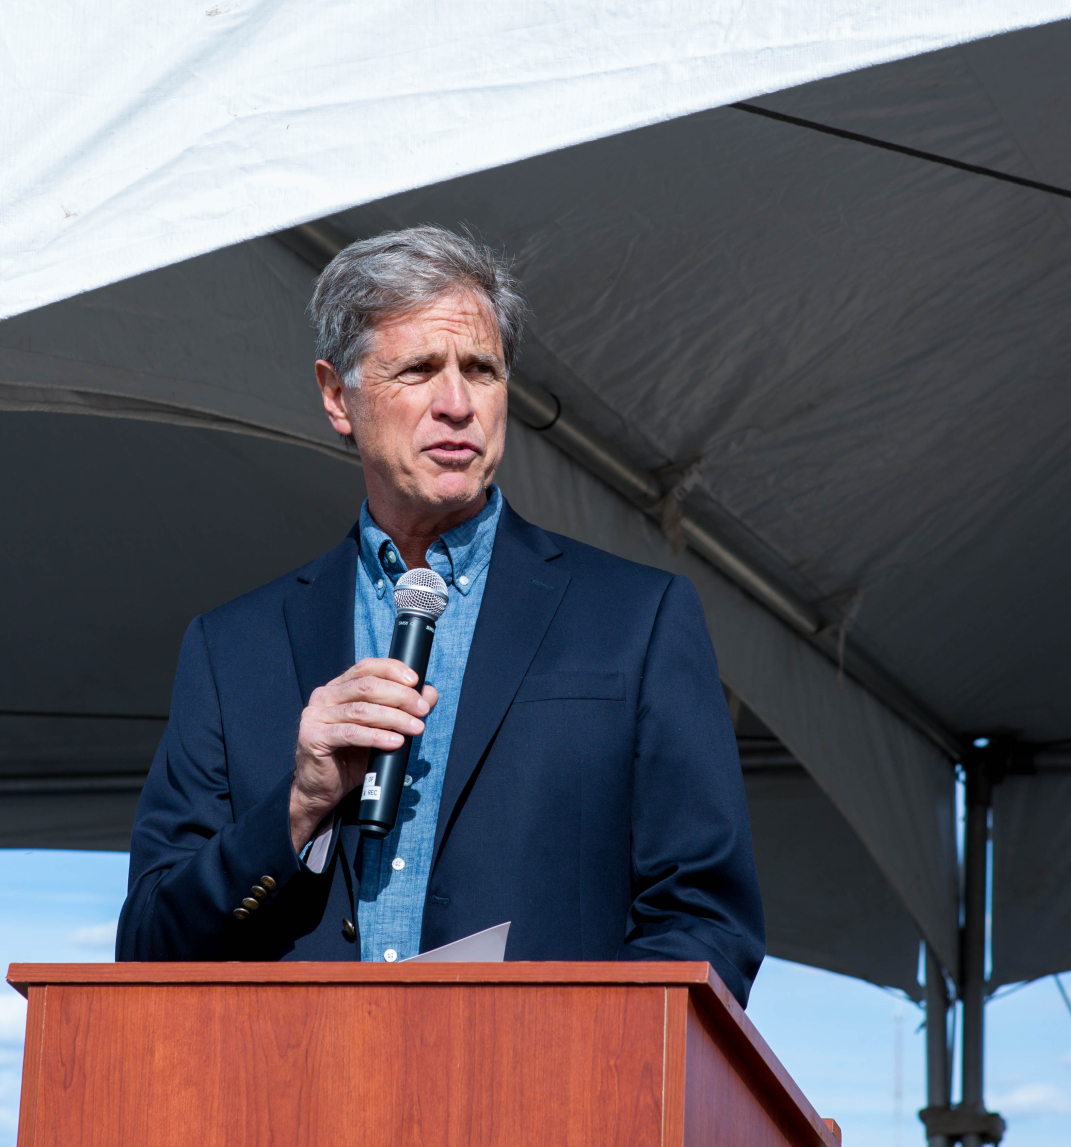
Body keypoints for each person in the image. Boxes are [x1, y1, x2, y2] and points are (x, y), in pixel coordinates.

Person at [116, 226, 765, 1005]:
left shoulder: (637, 619)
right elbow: (151, 943)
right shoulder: (232, 649)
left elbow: (707, 921)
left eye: (481, 370)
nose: (456, 404)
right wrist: (298, 805)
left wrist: (575, 1076)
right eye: (419, 369)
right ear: (337, 395)